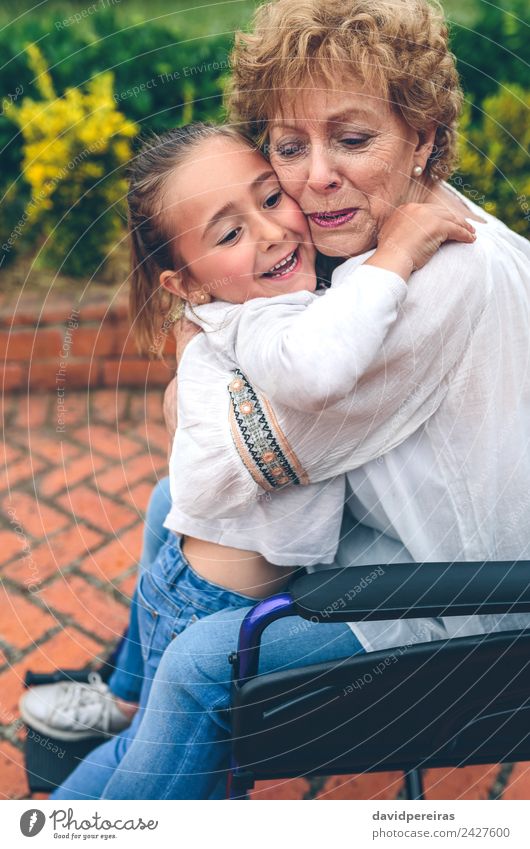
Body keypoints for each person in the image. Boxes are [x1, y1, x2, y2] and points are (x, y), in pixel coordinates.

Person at [34, 0, 530, 798]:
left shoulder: (432, 281)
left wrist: (194, 351)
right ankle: (131, 706)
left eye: (354, 138)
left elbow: (238, 449)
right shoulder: (395, 233)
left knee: (199, 665)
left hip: (469, 611)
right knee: (172, 503)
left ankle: (150, 735)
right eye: (289, 146)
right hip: (409, 542)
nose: (315, 177)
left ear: (425, 138)